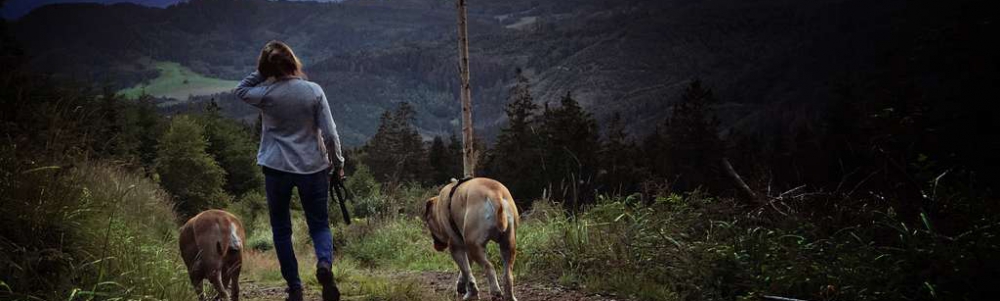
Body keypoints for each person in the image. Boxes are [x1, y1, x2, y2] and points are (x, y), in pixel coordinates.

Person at [234, 40, 343, 301]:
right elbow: (329, 133)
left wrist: (264, 70)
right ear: (294, 63)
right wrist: (337, 164)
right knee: (319, 225)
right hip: (313, 168)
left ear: (268, 67)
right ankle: (324, 265)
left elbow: (240, 90)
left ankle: (294, 288)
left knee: (281, 230)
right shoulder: (313, 91)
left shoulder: (266, 94)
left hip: (276, 168)